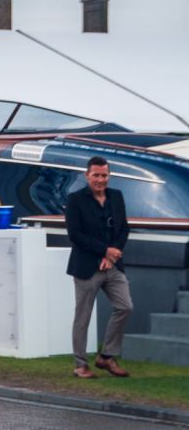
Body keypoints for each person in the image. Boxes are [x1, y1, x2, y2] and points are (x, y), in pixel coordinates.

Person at [65, 156, 133, 378]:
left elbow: (123, 229)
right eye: (96, 175)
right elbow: (75, 235)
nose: (100, 179)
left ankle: (106, 357)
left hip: (112, 265)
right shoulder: (76, 200)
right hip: (87, 267)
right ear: (87, 175)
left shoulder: (117, 196)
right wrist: (104, 251)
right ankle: (80, 364)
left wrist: (112, 255)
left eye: (104, 175)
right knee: (83, 316)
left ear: (109, 175)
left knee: (125, 307)